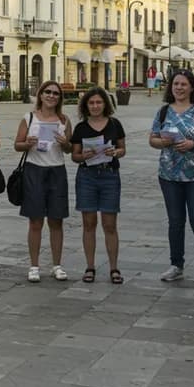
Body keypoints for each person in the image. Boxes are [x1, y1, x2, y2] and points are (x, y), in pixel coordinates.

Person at [150, 70, 194, 284]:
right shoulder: (163, 112)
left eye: (183, 84)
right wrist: (161, 142)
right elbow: (152, 138)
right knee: (175, 221)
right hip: (169, 174)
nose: (179, 88)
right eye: (175, 84)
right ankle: (176, 265)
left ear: (192, 87)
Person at [15, 80, 73, 282]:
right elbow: (17, 145)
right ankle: (34, 265)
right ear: (40, 95)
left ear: (60, 98)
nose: (51, 96)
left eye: (56, 93)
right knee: (35, 221)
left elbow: (70, 150)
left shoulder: (64, 120)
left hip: (56, 170)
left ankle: (57, 265)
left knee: (57, 220)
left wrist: (66, 143)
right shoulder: (29, 118)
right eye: (47, 92)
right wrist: (27, 143)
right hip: (34, 170)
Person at [71, 88, 127, 284]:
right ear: (86, 106)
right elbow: (74, 156)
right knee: (89, 223)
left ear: (105, 104)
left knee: (110, 224)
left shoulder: (114, 124)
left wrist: (116, 152)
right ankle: (90, 266)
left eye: (99, 102)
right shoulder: (81, 128)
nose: (95, 106)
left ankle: (114, 267)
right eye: (91, 103)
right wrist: (82, 156)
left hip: (109, 175)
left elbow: (122, 149)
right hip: (87, 175)